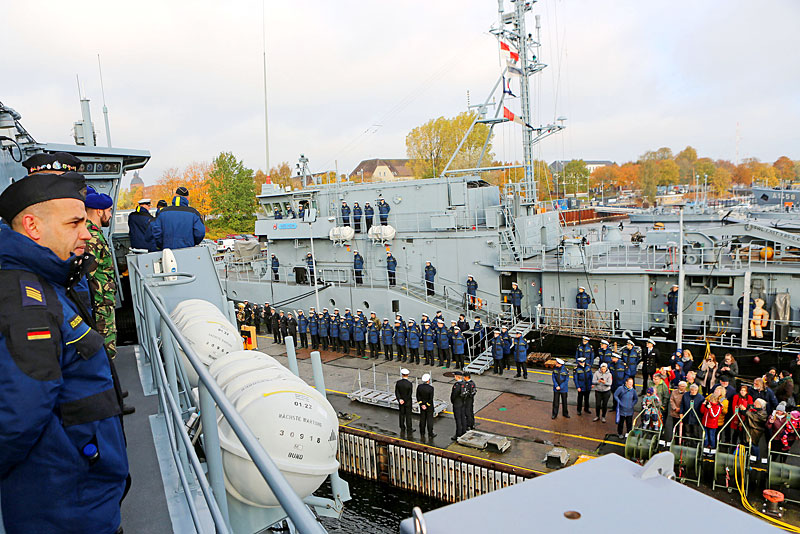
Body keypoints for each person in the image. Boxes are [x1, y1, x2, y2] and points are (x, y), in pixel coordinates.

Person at [0, 171, 128, 533]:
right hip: (66, 502)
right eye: (74, 222)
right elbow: (20, 414)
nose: (87, 233)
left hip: (81, 491)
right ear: (33, 226)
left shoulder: (47, 283)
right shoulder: (27, 303)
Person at [84, 189, 134, 413]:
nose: (111, 215)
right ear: (98, 211)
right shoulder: (91, 236)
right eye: (109, 210)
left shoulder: (93, 232)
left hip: (102, 299)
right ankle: (110, 402)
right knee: (105, 348)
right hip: (99, 302)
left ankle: (112, 391)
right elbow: (90, 273)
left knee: (107, 349)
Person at [395, 369, 414, 433]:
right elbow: (409, 394)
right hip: (408, 402)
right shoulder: (409, 384)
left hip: (401, 402)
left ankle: (402, 427)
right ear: (407, 375)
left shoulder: (398, 382)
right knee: (408, 416)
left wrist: (400, 399)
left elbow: (397, 392)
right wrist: (405, 400)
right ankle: (409, 428)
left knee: (401, 414)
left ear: (402, 375)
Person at [417, 374, 436, 438]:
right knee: (429, 420)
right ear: (428, 380)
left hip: (422, 406)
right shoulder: (431, 388)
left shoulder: (419, 387)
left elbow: (418, 397)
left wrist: (422, 405)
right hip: (429, 407)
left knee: (422, 419)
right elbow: (430, 399)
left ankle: (422, 432)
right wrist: (426, 405)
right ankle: (430, 433)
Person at [451, 370, 468, 440]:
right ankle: (464, 431)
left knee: (458, 419)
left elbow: (453, 395)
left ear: (457, 377)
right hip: (463, 402)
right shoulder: (465, 383)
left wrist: (453, 401)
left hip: (457, 404)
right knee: (463, 417)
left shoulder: (457, 385)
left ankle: (458, 433)